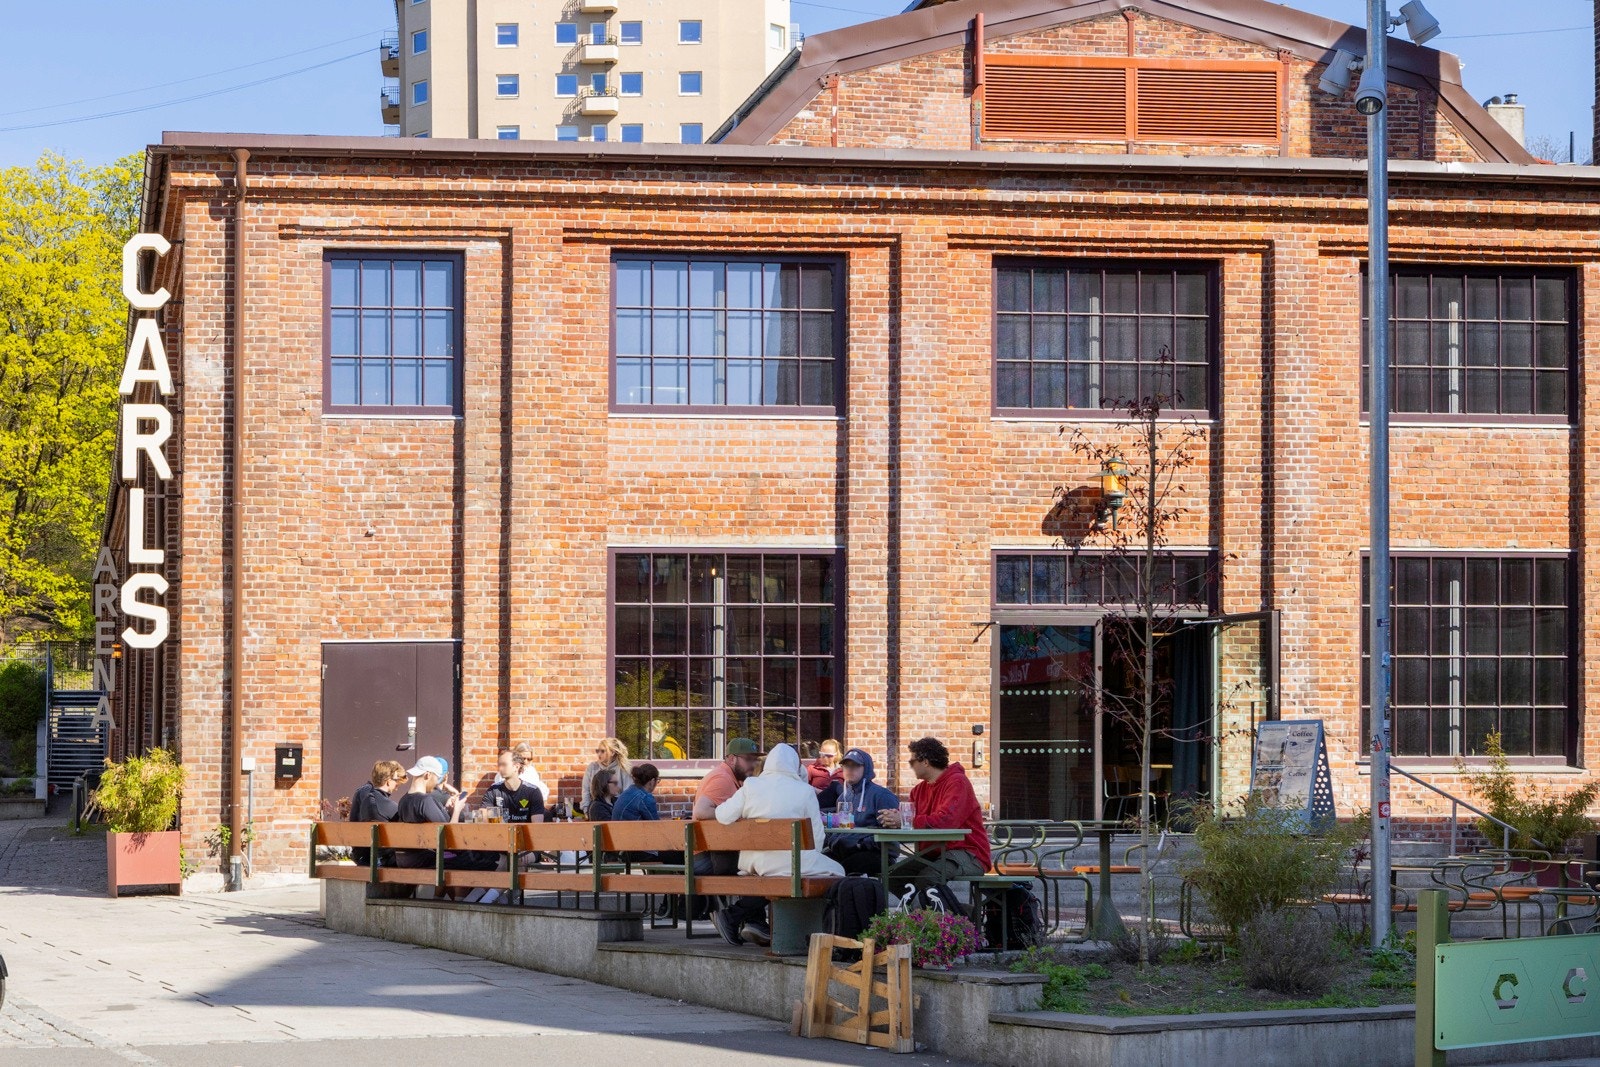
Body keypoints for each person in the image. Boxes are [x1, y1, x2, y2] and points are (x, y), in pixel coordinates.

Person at [711, 743, 844, 946]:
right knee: (838, 870)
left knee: (779, 875)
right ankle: (818, 932)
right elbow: (817, 839)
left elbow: (722, 815)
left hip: (754, 862)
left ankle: (742, 919)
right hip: (790, 863)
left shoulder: (751, 785)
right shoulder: (805, 791)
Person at [877, 737, 991, 897]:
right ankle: (927, 916)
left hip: (968, 853)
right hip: (933, 853)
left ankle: (959, 917)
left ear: (925, 761)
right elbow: (909, 818)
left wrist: (905, 820)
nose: (910, 765)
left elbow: (946, 821)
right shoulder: (918, 790)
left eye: (913, 761)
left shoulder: (957, 782)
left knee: (928, 879)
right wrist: (893, 818)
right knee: (893, 878)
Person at [396, 756, 499, 891]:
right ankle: (482, 902)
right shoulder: (425, 800)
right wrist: (457, 809)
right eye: (436, 778)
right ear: (427, 775)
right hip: (424, 859)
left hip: (405, 859)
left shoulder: (404, 800)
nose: (435, 784)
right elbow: (450, 837)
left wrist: (448, 808)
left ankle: (470, 901)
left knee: (473, 858)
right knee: (491, 859)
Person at [818, 748, 899, 876]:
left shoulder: (881, 795)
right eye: (846, 765)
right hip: (845, 850)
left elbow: (891, 835)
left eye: (855, 766)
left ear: (866, 768)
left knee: (843, 869)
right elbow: (840, 827)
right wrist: (835, 841)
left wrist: (860, 844)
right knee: (818, 867)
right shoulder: (843, 797)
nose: (850, 769)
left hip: (876, 854)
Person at [691, 738, 763, 882]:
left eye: (756, 760)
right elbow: (701, 811)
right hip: (707, 858)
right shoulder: (722, 779)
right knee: (763, 868)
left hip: (714, 851)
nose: (753, 764)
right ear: (731, 759)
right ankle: (742, 905)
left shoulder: (731, 778)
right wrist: (735, 817)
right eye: (748, 759)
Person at [349, 759, 405, 866]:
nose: (397, 785)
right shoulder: (385, 804)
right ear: (388, 781)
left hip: (363, 856)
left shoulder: (365, 799)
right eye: (396, 781)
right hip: (382, 859)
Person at [485, 749, 545, 823]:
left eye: (504, 764)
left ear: (516, 767)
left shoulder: (533, 791)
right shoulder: (493, 790)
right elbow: (483, 819)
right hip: (500, 834)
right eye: (499, 765)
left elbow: (537, 827)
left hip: (526, 834)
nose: (500, 768)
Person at [581, 738, 631, 813]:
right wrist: (586, 810)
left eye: (602, 751)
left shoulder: (623, 768)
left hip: (618, 808)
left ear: (612, 752)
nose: (599, 754)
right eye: (597, 751)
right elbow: (586, 790)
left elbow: (627, 793)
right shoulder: (592, 767)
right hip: (596, 808)